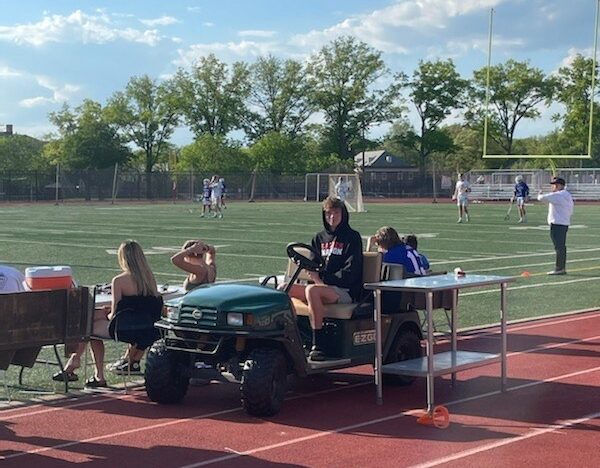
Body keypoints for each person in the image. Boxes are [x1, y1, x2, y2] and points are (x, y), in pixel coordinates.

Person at [54, 241, 161, 387]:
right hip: (146, 327)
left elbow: (115, 313)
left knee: (88, 327)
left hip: (124, 328)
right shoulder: (150, 279)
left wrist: (107, 314)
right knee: (94, 320)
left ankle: (86, 368)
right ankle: (77, 366)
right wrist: (107, 313)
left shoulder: (119, 280)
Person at [286, 196, 363, 361]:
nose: (332, 217)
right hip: (321, 287)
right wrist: (312, 274)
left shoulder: (352, 237)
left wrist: (323, 279)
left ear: (343, 214)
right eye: (328, 214)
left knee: (312, 291)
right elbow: (312, 265)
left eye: (335, 213)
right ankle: (294, 336)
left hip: (344, 290)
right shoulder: (318, 238)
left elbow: (351, 271)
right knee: (284, 289)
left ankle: (318, 343)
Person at [537, 177, 574, 275]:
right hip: (564, 223)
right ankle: (561, 267)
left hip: (557, 224)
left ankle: (559, 268)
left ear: (559, 185)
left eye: (554, 184)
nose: (553, 186)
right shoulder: (567, 195)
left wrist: (540, 192)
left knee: (559, 247)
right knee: (561, 247)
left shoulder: (558, 195)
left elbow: (541, 198)